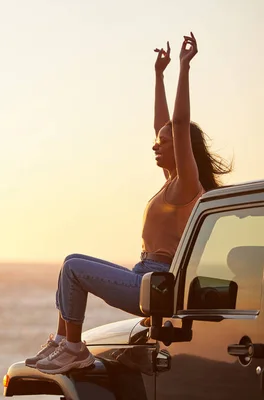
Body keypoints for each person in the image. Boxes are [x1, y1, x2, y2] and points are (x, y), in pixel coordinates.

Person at [24, 32, 233, 375]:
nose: (155, 145)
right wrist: (158, 75)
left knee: (74, 269)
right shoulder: (169, 185)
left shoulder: (186, 185)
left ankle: (74, 348)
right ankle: (64, 343)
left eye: (163, 143)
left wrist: (184, 68)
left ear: (181, 148)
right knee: (71, 262)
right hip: (142, 274)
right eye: (156, 141)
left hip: (157, 283)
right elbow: (164, 125)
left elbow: (178, 125)